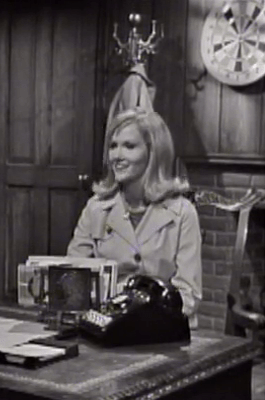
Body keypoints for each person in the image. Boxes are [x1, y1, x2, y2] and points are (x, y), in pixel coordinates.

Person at [67, 108, 202, 329]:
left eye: (129, 146)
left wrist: (143, 314)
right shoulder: (96, 208)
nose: (117, 156)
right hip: (106, 325)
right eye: (113, 146)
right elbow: (73, 277)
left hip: (164, 331)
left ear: (153, 152)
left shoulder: (182, 213)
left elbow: (189, 294)